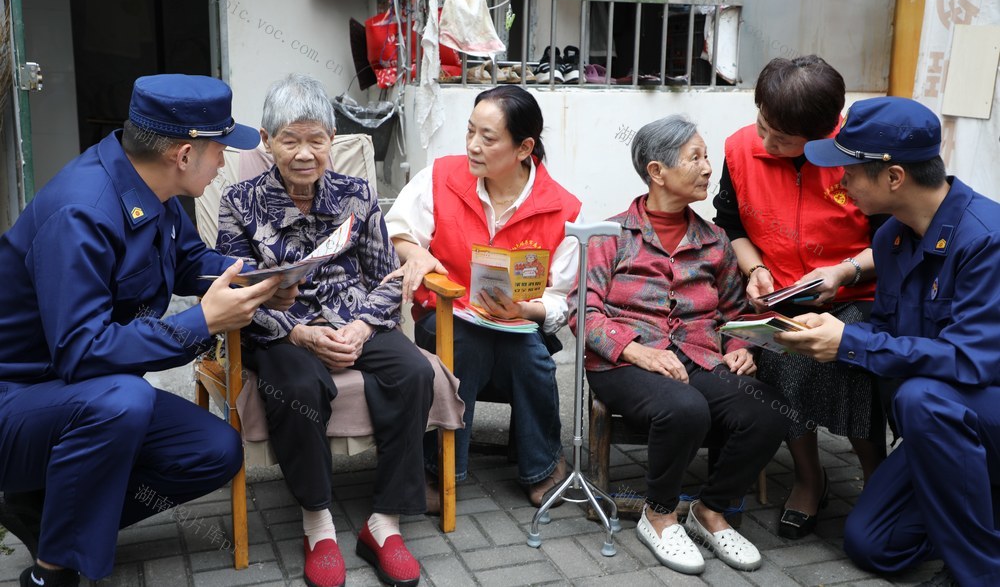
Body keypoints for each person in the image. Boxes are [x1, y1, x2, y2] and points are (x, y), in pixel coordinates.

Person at [0, 75, 287, 587]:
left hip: (80, 395)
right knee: (124, 399)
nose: (223, 160)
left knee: (214, 451)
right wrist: (203, 321)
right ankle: (53, 571)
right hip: (22, 399)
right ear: (183, 153)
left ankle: (45, 513)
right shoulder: (82, 212)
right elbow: (81, 354)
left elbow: (189, 263)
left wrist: (255, 278)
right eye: (219, 147)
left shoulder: (154, 190)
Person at [216, 74, 431, 587]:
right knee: (296, 384)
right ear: (267, 142)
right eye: (290, 139)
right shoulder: (238, 202)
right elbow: (236, 293)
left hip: (353, 317)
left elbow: (386, 277)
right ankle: (318, 522)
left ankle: (385, 522)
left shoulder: (357, 194)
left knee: (413, 371)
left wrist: (360, 327)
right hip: (278, 329)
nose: (305, 153)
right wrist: (300, 334)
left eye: (316, 139)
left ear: (332, 139)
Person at [777, 96, 1000, 587]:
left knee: (921, 397)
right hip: (942, 426)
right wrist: (828, 332)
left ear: (894, 177)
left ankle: (979, 573)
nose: (840, 182)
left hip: (975, 412)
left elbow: (972, 359)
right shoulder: (891, 239)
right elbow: (891, 330)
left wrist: (852, 344)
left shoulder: (987, 239)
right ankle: (975, 501)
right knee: (872, 543)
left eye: (849, 172)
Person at [571, 115, 789, 575]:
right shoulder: (612, 236)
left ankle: (710, 510)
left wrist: (744, 347)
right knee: (685, 408)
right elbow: (582, 312)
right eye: (696, 157)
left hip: (698, 357)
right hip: (624, 365)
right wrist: (635, 349)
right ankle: (660, 512)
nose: (709, 167)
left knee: (768, 410)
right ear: (657, 171)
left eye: (707, 156)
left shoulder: (714, 242)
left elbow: (736, 313)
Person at [712, 55, 886, 539]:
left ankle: (877, 476)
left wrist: (843, 270)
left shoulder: (858, 155)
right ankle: (810, 477)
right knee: (784, 359)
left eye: (781, 139)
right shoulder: (742, 149)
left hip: (858, 290)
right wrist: (757, 269)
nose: (764, 142)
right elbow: (730, 223)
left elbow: (895, 239)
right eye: (762, 124)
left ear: (822, 135)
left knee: (850, 359)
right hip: (782, 293)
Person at [384, 85, 581, 508]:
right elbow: (396, 227)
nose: (473, 145)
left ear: (524, 147)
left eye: (488, 138)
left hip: (517, 322)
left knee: (531, 354)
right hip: (448, 315)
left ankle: (543, 467)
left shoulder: (561, 208)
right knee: (464, 343)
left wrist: (526, 308)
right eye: (470, 131)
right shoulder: (440, 178)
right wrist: (416, 251)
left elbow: (560, 297)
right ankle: (439, 469)